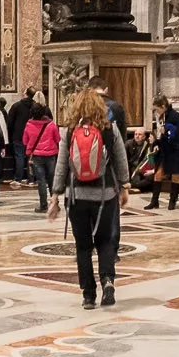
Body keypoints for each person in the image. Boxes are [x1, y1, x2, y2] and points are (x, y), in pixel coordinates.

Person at [51, 84, 130, 307]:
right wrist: (124, 186)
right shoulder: (109, 128)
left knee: (83, 245)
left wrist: (55, 194)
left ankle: (88, 294)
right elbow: (120, 158)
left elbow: (61, 164)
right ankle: (107, 281)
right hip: (105, 195)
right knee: (105, 240)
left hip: (77, 196)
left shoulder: (69, 130)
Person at [145, 97, 179, 211]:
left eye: (157, 109)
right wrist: (155, 140)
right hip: (163, 150)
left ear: (163, 107)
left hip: (174, 151)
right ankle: (154, 201)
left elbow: (176, 135)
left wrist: (166, 133)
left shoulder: (175, 116)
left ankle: (172, 201)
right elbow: (159, 133)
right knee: (158, 174)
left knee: (175, 176)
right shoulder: (160, 117)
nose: (156, 112)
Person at [25, 101, 59, 211]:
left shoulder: (29, 125)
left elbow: (25, 141)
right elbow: (58, 139)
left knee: (41, 181)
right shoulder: (51, 124)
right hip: (51, 155)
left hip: (37, 156)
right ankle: (55, 204)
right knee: (52, 180)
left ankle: (43, 205)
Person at [7, 87, 38, 180]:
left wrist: (10, 133)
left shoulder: (16, 106)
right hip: (32, 135)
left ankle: (18, 177)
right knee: (30, 157)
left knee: (19, 156)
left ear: (25, 93)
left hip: (18, 134)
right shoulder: (35, 106)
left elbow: (10, 122)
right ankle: (31, 178)